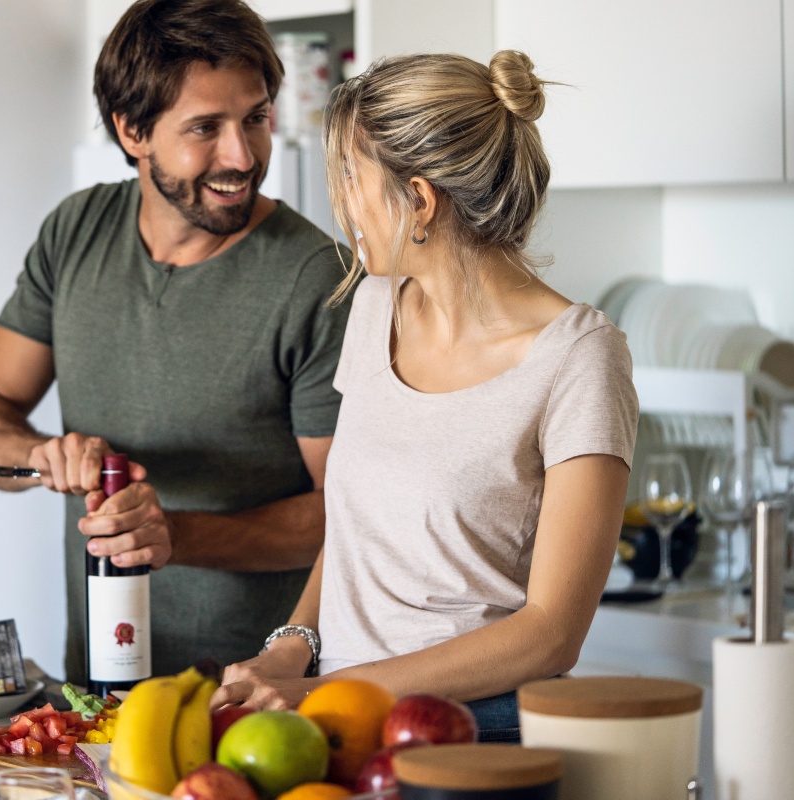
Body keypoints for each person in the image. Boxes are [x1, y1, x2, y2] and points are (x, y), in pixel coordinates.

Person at [211, 51, 639, 741]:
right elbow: (360, 533)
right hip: (332, 720)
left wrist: (320, 691)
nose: (341, 201)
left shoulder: (579, 358)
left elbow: (551, 635)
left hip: (473, 730)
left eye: (352, 176)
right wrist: (289, 650)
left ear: (421, 199)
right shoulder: (376, 305)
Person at [0, 0, 351, 683]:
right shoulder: (76, 230)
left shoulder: (319, 277)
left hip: (258, 696)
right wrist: (43, 455)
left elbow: (350, 514)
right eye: (206, 127)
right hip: (95, 691)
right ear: (133, 130)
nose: (244, 155)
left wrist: (175, 536)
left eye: (255, 116)